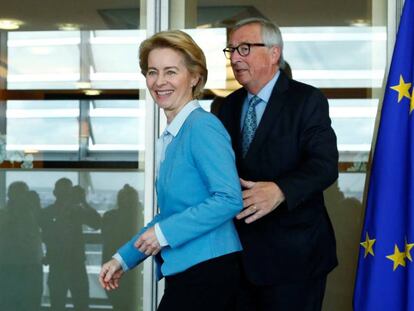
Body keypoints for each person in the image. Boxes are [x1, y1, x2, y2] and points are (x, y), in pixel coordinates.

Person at [99, 30, 243, 311]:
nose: (159, 82)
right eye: (152, 72)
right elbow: (170, 216)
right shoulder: (174, 135)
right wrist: (122, 259)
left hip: (209, 273)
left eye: (170, 72)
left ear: (194, 77)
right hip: (190, 272)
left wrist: (163, 234)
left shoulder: (202, 127)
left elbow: (229, 198)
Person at [218, 18, 338, 311]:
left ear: (274, 53)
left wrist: (280, 190)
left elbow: (324, 165)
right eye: (231, 49)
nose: (235, 58)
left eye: (244, 48)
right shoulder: (225, 106)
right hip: (238, 258)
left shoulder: (307, 99)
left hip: (295, 258)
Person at [40, 179, 101, 311]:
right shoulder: (76, 212)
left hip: (58, 263)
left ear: (54, 192)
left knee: (58, 303)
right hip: (75, 264)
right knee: (81, 303)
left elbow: (97, 223)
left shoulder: (48, 212)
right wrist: (83, 202)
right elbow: (97, 223)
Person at [101, 184, 143, 311]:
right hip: (129, 266)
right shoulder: (137, 217)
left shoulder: (110, 216)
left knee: (119, 302)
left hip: (115, 263)